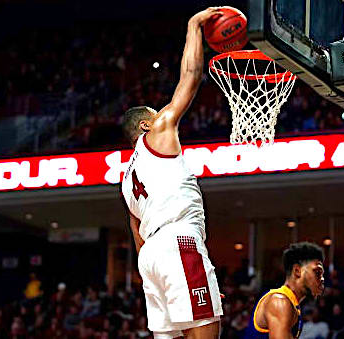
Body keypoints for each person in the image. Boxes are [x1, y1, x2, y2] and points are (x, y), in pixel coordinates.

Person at [120, 7, 225, 339]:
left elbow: (137, 235)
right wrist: (194, 26)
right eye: (156, 114)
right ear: (146, 125)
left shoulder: (126, 181)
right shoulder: (157, 134)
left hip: (150, 257)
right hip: (177, 240)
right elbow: (191, 76)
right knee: (207, 329)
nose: (164, 116)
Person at [244, 242, 325, 338]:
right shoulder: (280, 302)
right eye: (317, 272)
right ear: (297, 271)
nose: (322, 278)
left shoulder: (292, 304)